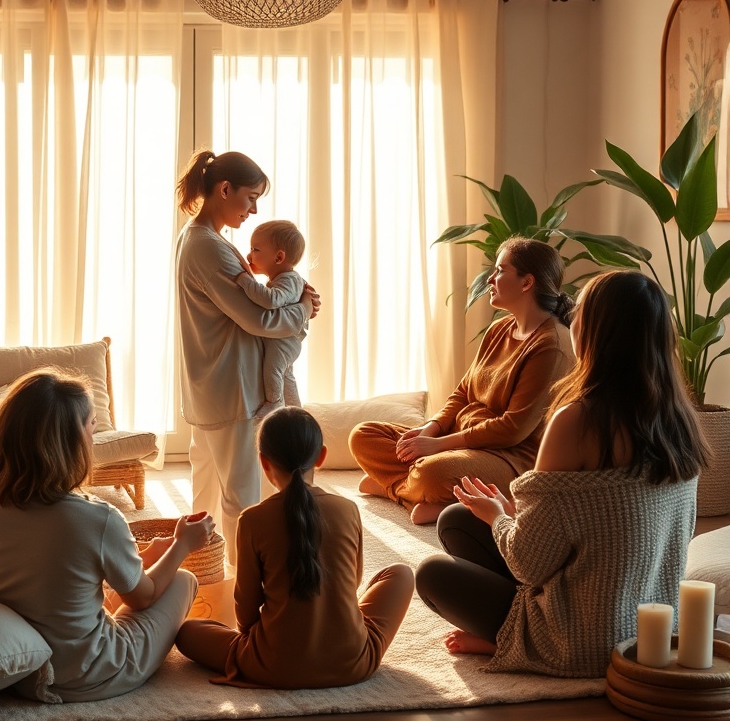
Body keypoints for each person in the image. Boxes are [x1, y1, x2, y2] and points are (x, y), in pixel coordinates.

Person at [414, 270, 703, 678]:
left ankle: (514, 643)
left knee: (430, 574)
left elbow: (529, 564)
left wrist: (498, 516)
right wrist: (510, 509)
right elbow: (621, 523)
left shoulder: (578, 419)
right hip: (650, 629)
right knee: (455, 519)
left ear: (599, 330)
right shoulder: (681, 422)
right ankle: (512, 629)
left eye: (580, 308)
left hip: (579, 640)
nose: (571, 316)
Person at [0, 368, 215, 702]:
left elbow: (42, 574)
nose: (95, 436)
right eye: (92, 424)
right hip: (87, 675)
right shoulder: (98, 518)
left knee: (101, 586)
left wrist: (144, 557)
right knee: (182, 580)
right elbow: (142, 598)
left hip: (19, 671)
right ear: (70, 440)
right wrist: (183, 543)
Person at [175, 407, 414, 687]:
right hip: (352, 663)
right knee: (402, 574)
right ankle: (337, 635)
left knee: (187, 631)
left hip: (271, 666)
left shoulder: (252, 519)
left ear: (264, 463)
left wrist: (257, 641)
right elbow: (353, 582)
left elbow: (247, 608)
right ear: (322, 456)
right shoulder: (348, 509)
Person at [349, 236, 575, 525]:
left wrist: (438, 447)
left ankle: (401, 488)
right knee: (363, 435)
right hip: (459, 441)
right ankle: (410, 493)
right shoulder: (499, 329)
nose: (490, 279)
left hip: (508, 457)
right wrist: (431, 430)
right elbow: (463, 392)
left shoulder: (551, 346)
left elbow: (513, 430)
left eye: (500, 270)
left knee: (433, 473)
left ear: (526, 282)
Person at [175, 149, 318, 566]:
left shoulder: (198, 237)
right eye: (251, 197)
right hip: (231, 388)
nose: (254, 210)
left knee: (206, 494)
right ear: (224, 190)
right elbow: (259, 320)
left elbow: (260, 305)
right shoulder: (210, 247)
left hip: (211, 385)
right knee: (242, 500)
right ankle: (244, 594)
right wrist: (303, 309)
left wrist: (296, 303)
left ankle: (200, 576)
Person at [235, 219, 308, 419]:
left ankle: (274, 402)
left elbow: (271, 301)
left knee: (273, 369)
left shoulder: (288, 280)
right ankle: (296, 411)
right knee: (286, 376)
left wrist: (246, 281)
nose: (249, 255)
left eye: (255, 249)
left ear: (278, 257)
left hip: (285, 341)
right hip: (285, 340)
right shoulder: (284, 279)